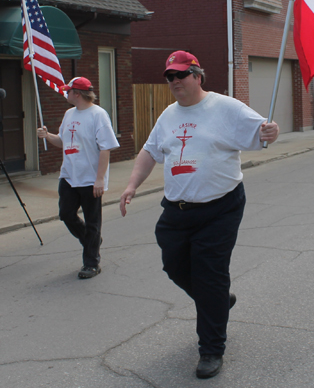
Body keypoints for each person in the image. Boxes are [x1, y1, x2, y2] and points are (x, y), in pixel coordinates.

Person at [119, 51, 279, 379]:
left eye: (180, 75)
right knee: (174, 266)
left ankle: (210, 349)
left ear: (197, 75)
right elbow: (150, 152)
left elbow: (262, 131)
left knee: (208, 274)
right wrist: (132, 185)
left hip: (220, 207)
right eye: (169, 76)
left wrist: (269, 132)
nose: (174, 81)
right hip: (177, 209)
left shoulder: (225, 107)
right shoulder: (168, 116)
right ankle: (217, 301)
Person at [37, 77, 119, 279]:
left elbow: (105, 148)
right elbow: (63, 142)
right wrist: (47, 136)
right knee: (66, 214)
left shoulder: (98, 115)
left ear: (77, 94)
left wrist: (99, 179)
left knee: (93, 222)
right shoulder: (69, 114)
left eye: (68, 91)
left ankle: (91, 263)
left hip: (90, 178)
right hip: (69, 176)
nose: (66, 94)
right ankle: (91, 241)